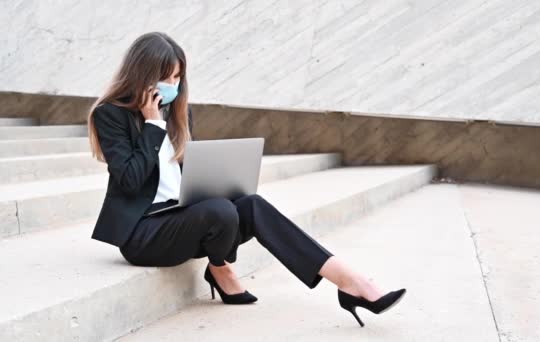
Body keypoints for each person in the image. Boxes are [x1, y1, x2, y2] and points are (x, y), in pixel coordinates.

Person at [86, 31, 405, 327]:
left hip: (184, 218)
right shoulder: (110, 114)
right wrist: (152, 125)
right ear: (143, 75)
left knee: (249, 204)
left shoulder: (177, 113)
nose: (173, 85)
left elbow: (185, 177)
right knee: (220, 211)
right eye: (166, 78)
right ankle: (220, 268)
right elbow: (129, 180)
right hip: (144, 234)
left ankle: (351, 282)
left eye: (178, 77)